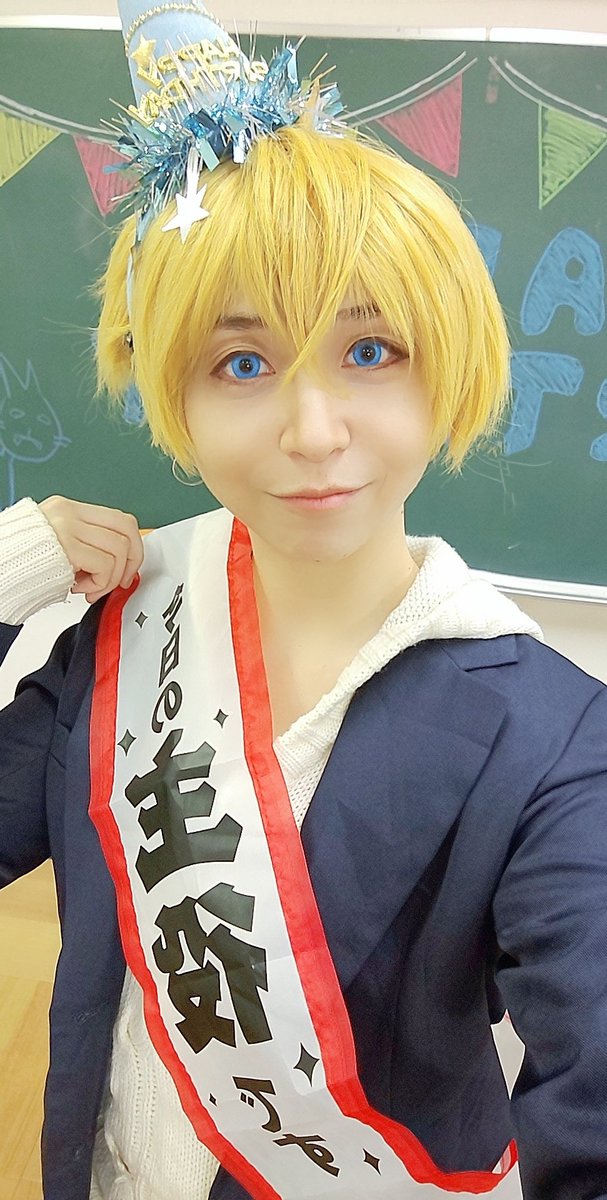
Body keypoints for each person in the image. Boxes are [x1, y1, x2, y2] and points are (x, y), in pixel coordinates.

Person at [1, 3, 606, 1199]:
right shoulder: (120, 636)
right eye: (242, 363)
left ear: (446, 365)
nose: (313, 429)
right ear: (174, 398)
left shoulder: (550, 738)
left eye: (369, 351)